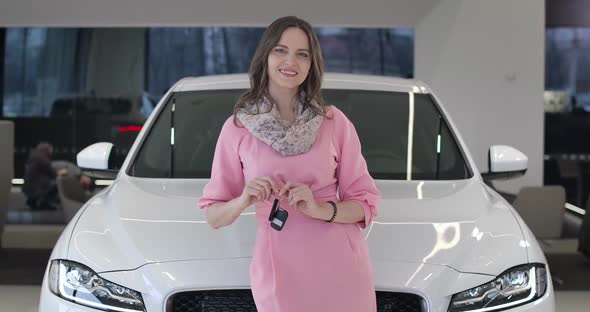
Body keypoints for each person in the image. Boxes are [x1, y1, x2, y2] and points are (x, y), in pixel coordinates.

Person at [198, 16, 380, 312]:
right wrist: (244, 197)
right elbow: (214, 216)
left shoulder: (334, 122)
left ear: (311, 64)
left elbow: (365, 204)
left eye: (302, 54)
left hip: (341, 269)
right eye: (281, 50)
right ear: (266, 55)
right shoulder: (238, 128)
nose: (290, 61)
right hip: (278, 270)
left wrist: (319, 208)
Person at [23, 142, 93, 210]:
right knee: (57, 184)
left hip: (30, 186)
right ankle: (45, 202)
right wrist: (60, 173)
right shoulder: (41, 159)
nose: (51, 153)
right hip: (36, 187)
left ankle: (36, 201)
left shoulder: (35, 157)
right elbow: (52, 172)